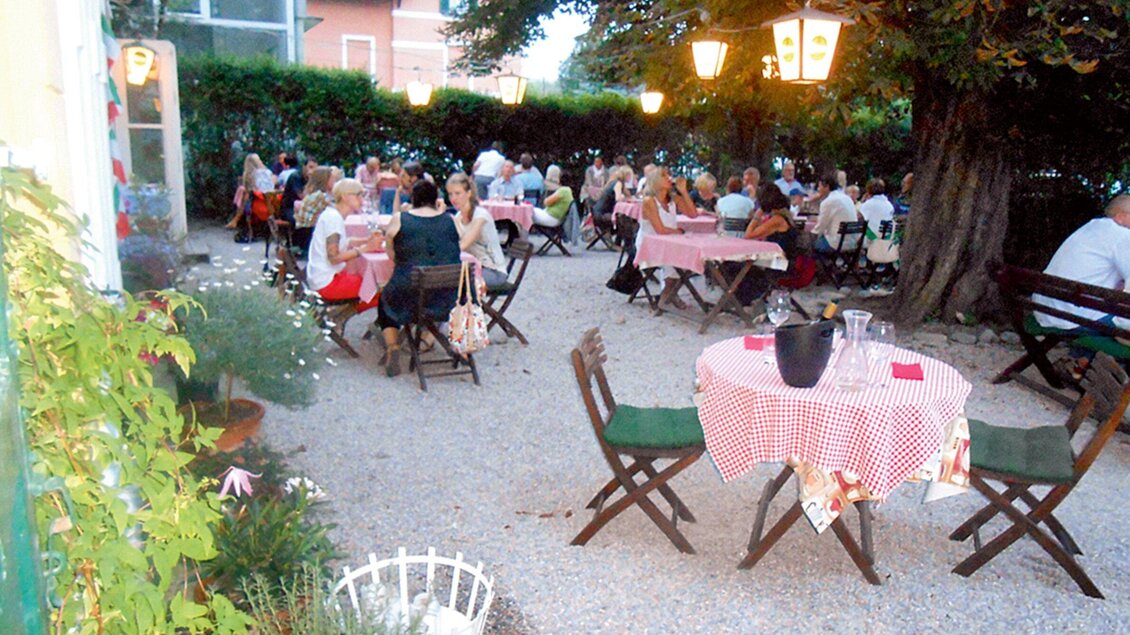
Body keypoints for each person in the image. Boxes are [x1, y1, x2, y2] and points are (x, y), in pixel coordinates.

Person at [375, 179, 463, 377]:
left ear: (413, 199)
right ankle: (438, 339)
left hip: (408, 294)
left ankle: (392, 346)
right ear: (435, 200)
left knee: (385, 299)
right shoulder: (450, 220)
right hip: (446, 296)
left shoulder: (400, 219)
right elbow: (459, 244)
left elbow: (391, 253)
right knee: (409, 289)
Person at [1035, 195, 1130, 332]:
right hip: (1078, 317)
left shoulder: (1092, 227)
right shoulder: (1122, 235)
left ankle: (1082, 352)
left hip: (1047, 310)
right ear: (1120, 216)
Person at [305, 178, 383, 316]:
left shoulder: (332, 215)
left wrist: (366, 240)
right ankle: (341, 316)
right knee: (377, 287)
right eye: (358, 194)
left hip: (320, 278)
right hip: (326, 282)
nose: (362, 199)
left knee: (372, 284)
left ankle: (340, 316)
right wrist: (365, 248)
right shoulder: (333, 219)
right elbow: (334, 257)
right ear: (345, 196)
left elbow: (343, 242)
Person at [725, 186, 799, 305]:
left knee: (733, 264)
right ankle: (740, 296)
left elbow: (748, 235)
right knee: (739, 262)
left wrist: (757, 215)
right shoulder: (784, 216)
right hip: (782, 259)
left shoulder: (777, 220)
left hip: (781, 264)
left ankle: (741, 297)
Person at [637, 167, 698, 309]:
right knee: (677, 257)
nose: (669, 178)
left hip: (670, 241)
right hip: (649, 243)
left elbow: (693, 214)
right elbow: (660, 230)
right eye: (664, 176)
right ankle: (667, 296)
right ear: (655, 181)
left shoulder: (673, 199)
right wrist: (679, 232)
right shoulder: (649, 201)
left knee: (689, 255)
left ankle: (670, 293)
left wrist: (683, 191)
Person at [448, 173, 508, 288]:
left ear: (469, 193)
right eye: (450, 194)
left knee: (453, 282)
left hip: (492, 270)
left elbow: (463, 245)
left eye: (457, 193)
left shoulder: (481, 216)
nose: (453, 198)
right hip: (471, 267)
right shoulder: (459, 215)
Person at [811, 172, 859, 254]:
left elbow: (819, 229)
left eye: (819, 186)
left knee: (807, 244)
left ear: (827, 187)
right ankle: (828, 265)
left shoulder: (828, 202)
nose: (818, 189)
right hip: (852, 243)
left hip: (836, 243)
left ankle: (820, 266)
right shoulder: (847, 198)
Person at [226, 153, 275, 230]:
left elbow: (248, 192)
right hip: (273, 201)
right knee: (245, 194)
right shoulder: (268, 172)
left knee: (245, 194)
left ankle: (236, 219)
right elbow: (273, 185)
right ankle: (236, 219)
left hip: (260, 202)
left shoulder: (249, 175)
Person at [294, 166, 337, 253]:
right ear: (325, 180)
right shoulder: (320, 196)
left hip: (302, 231)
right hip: (308, 234)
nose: (335, 182)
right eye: (333, 179)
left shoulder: (314, 193)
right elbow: (337, 209)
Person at [533, 165, 574, 229]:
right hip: (556, 218)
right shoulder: (568, 191)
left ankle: (521, 234)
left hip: (552, 218)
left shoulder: (563, 190)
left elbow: (546, 202)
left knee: (529, 211)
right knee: (531, 210)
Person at [280, 155, 316, 227]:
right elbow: (302, 196)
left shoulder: (314, 179)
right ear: (304, 167)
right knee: (304, 219)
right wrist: (310, 182)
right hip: (290, 209)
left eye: (315, 168)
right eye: (310, 167)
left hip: (305, 209)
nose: (312, 171)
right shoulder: (295, 177)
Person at [859, 178, 894, 243]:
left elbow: (858, 218)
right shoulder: (889, 205)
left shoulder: (868, 204)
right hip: (886, 238)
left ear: (868, 190)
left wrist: (861, 201)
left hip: (873, 238)